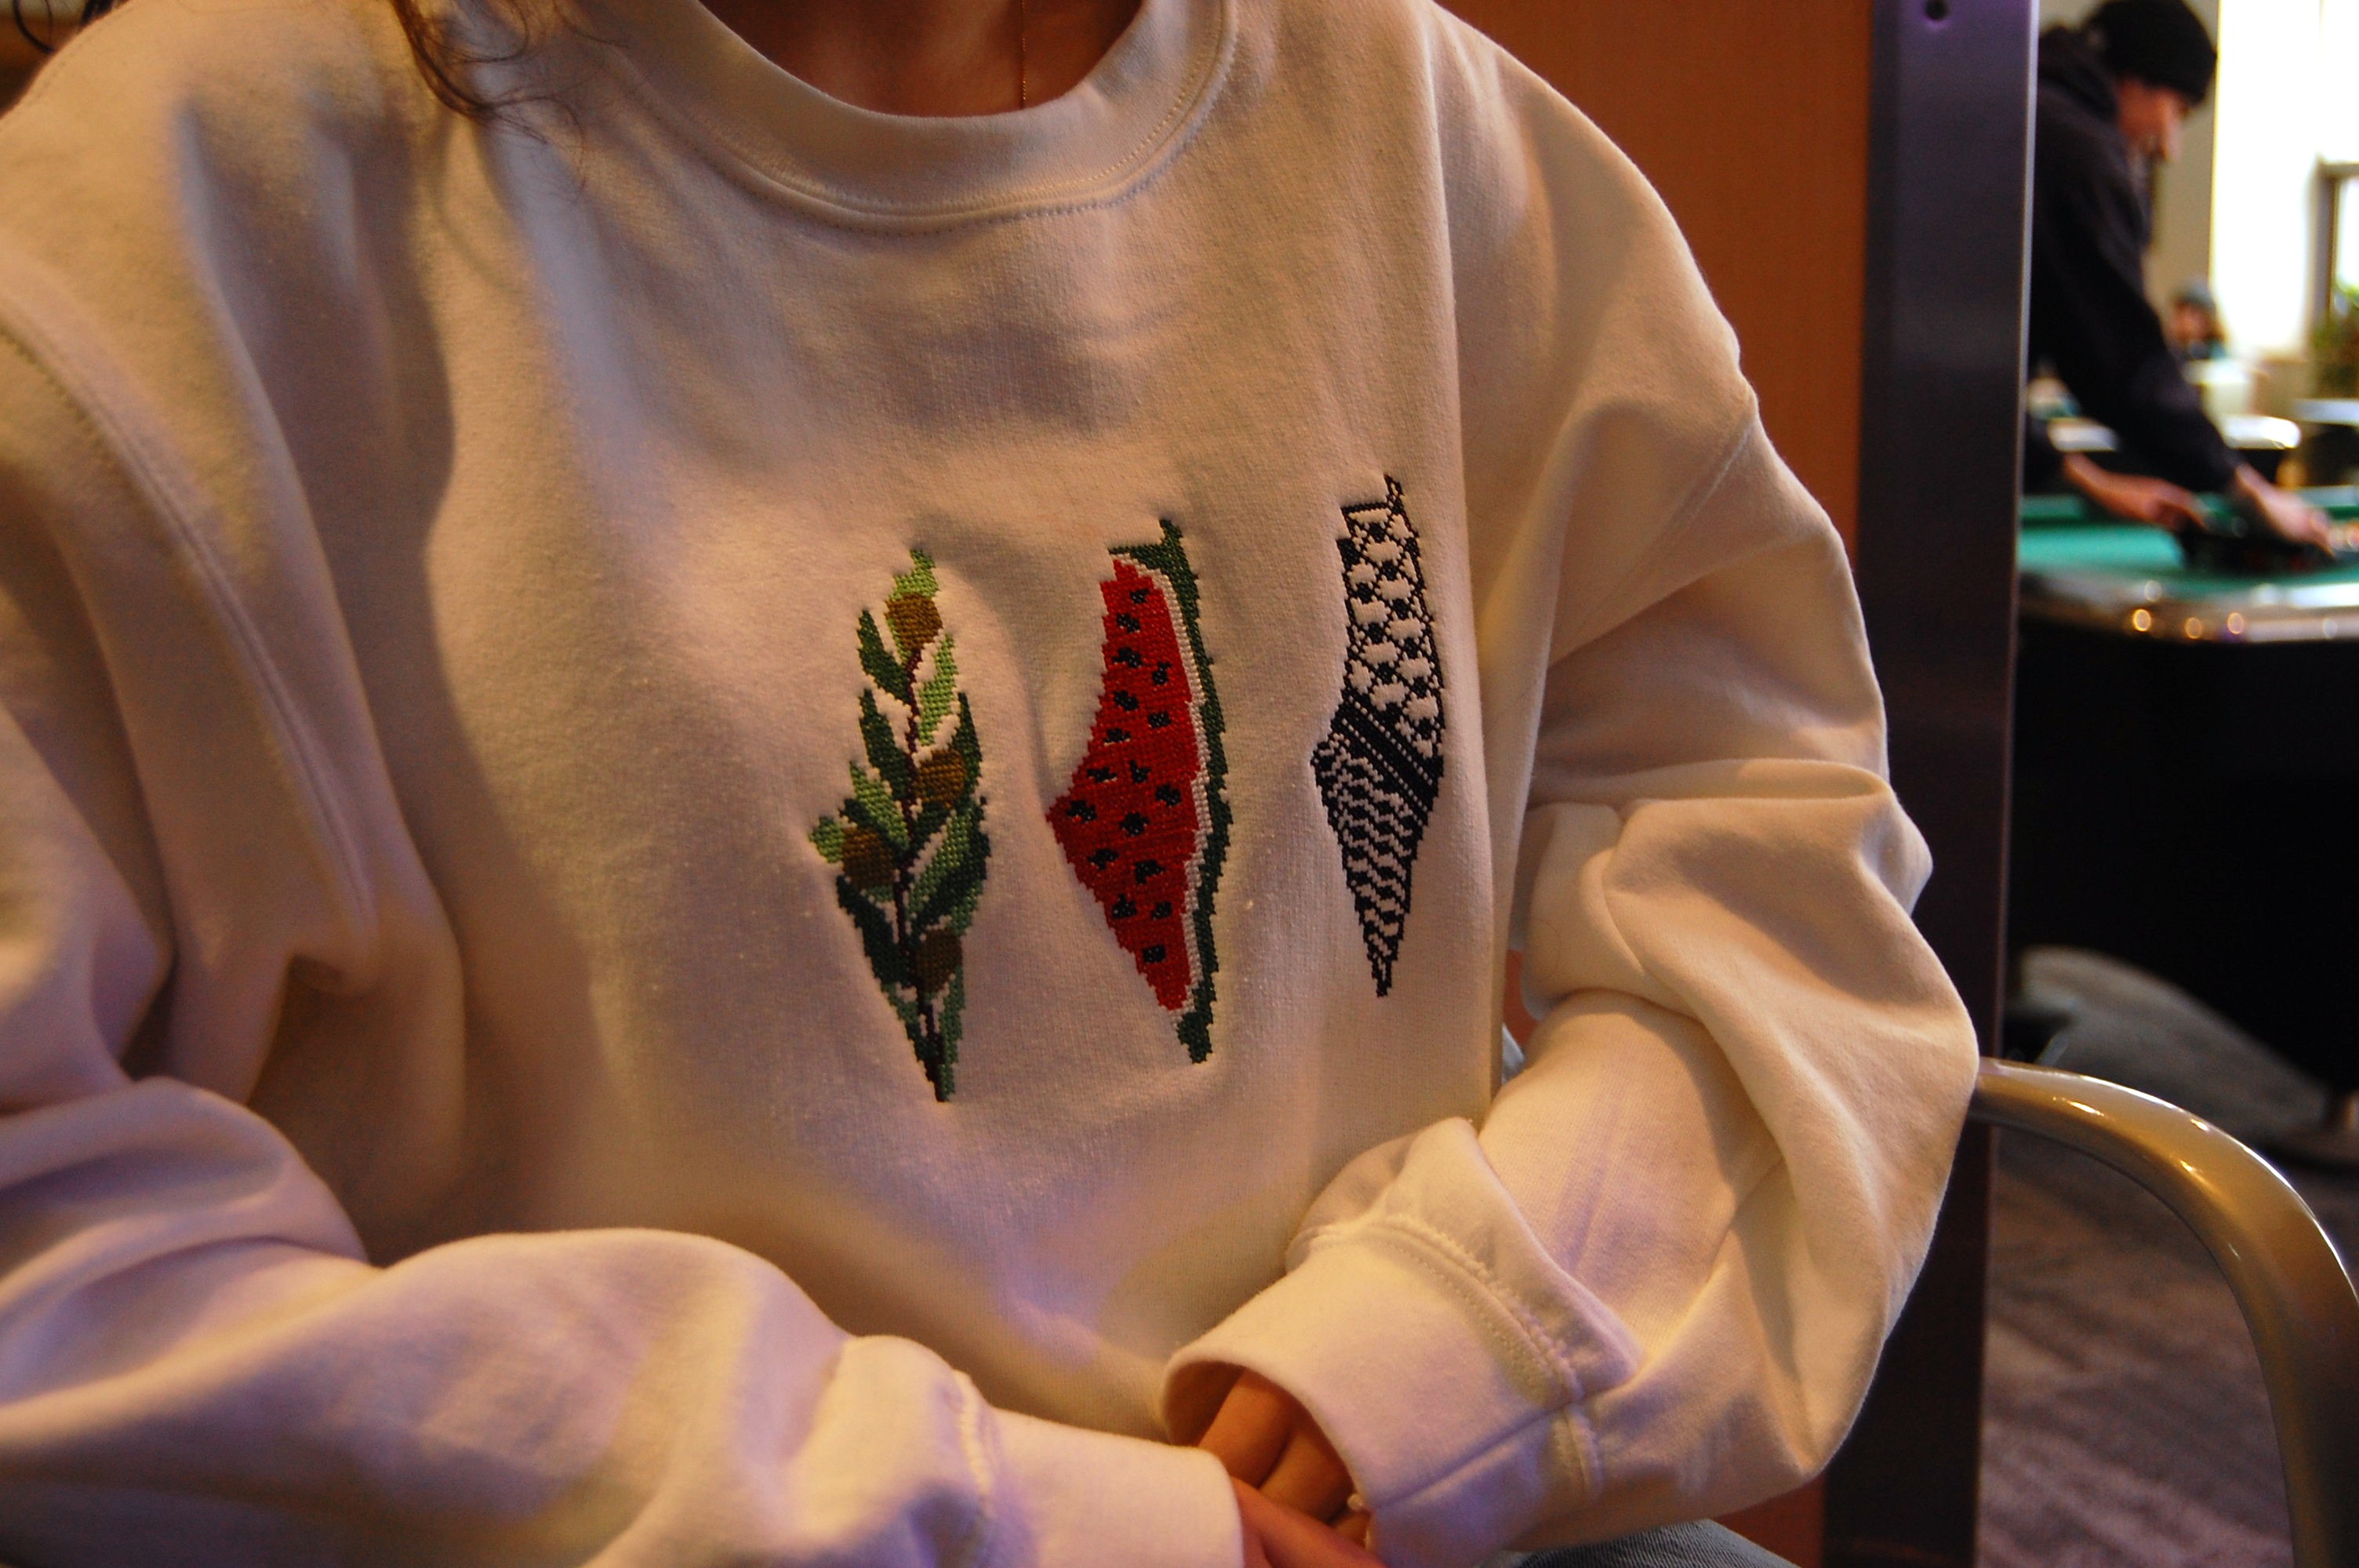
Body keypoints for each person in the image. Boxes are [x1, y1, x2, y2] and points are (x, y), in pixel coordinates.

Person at [0, 0, 1979, 1563]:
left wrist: (1463, 1330)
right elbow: (51, 1273)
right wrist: (1007, 1514)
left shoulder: (1435, 142)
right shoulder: (176, 235)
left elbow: (1770, 865)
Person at [2026, 0, 2330, 546]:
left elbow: (1968, 382)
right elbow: (2125, 366)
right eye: (2180, 110)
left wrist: (2090, 483)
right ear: (2137, 79)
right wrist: (2247, 489)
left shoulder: (2026, 110)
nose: (2169, 146)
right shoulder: (2077, 150)